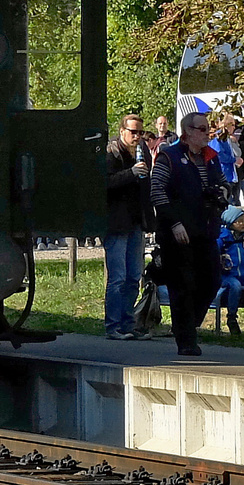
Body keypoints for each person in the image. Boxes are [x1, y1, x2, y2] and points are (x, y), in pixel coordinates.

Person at [149, 111, 228, 356]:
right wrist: (174, 222)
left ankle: (186, 324)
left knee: (211, 280)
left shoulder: (210, 158)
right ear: (189, 132)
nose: (208, 133)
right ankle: (186, 341)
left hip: (205, 229)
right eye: (202, 129)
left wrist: (222, 193)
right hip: (178, 233)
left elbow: (224, 183)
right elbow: (157, 190)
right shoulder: (169, 156)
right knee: (183, 285)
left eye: (208, 128)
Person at [104, 114, 154, 339]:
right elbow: (105, 183)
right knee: (118, 277)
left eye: (140, 132)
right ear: (122, 131)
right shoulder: (111, 152)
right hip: (116, 223)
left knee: (134, 275)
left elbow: (146, 188)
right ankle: (112, 326)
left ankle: (128, 324)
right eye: (133, 132)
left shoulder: (142, 152)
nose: (137, 137)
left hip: (136, 221)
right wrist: (130, 173)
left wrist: (149, 220)